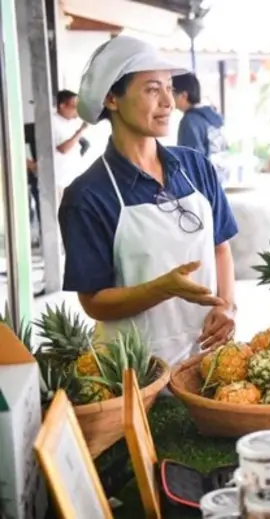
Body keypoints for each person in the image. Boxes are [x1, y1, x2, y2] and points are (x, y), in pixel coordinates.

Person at [58, 35, 239, 367]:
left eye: (170, 88)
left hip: (207, 362)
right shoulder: (88, 196)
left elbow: (220, 247)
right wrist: (161, 288)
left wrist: (225, 304)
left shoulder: (195, 167)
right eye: (153, 89)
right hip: (135, 371)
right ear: (112, 98)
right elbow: (95, 302)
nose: (168, 102)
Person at [172, 73, 230, 183]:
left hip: (203, 182)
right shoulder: (211, 117)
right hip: (220, 177)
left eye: (172, 93)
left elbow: (191, 159)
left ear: (183, 95)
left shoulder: (190, 121)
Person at [53, 90, 90, 199]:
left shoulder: (71, 122)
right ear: (62, 106)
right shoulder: (53, 122)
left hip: (71, 180)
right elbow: (63, 149)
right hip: (58, 181)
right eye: (75, 107)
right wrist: (81, 130)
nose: (78, 112)